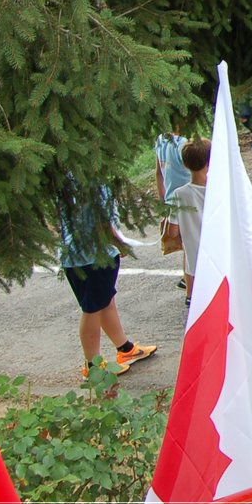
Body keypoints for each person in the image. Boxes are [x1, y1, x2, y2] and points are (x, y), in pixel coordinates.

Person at [60, 177, 157, 379]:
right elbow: (101, 220)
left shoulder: (71, 175)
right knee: (92, 309)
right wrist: (119, 243)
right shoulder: (92, 179)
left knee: (105, 301)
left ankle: (125, 349)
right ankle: (93, 365)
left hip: (83, 254)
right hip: (91, 255)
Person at [166, 138, 209, 299]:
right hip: (219, 254)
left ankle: (191, 298)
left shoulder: (179, 194)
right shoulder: (218, 190)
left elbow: (172, 232)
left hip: (195, 258)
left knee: (201, 299)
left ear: (184, 164)